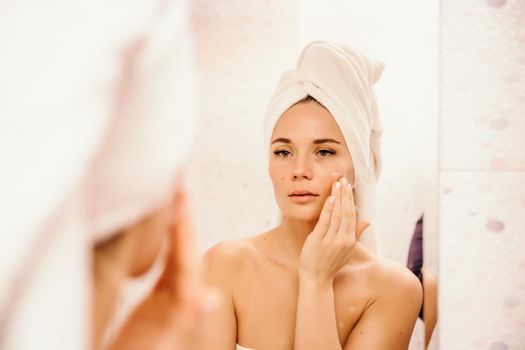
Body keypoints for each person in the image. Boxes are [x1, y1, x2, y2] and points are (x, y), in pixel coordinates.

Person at [200, 41, 423, 350]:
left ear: (357, 166)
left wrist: (316, 280)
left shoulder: (393, 289)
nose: (299, 170)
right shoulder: (225, 265)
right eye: (283, 151)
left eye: (323, 151)